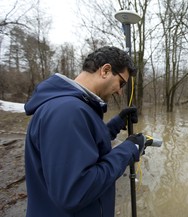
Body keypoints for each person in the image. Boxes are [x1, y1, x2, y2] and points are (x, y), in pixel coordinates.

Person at [24, 46, 146, 217]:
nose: (120, 91)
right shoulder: (68, 111)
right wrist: (129, 149)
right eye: (121, 83)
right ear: (105, 70)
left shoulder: (74, 106)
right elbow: (76, 192)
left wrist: (116, 124)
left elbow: (84, 146)